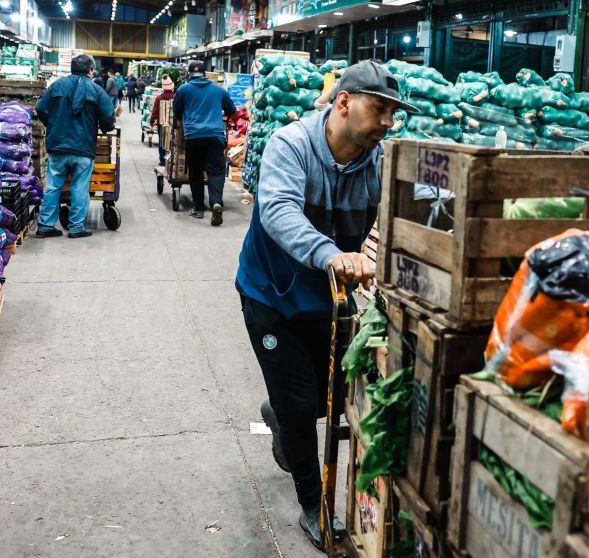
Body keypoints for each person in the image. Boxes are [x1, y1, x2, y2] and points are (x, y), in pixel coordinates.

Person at [236, 61, 418, 551]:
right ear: (343, 103)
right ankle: (312, 504)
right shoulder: (290, 145)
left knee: (329, 397)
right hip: (271, 294)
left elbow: (408, 210)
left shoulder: (379, 162)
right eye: (378, 110)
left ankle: (280, 411)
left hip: (330, 299)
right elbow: (277, 210)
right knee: (301, 406)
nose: (387, 123)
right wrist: (330, 253)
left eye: (392, 114)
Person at [34, 55, 119, 239]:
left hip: (57, 146)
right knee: (80, 187)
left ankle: (45, 225)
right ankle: (76, 227)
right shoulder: (96, 90)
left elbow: (40, 108)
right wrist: (105, 127)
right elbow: (108, 117)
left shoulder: (56, 86)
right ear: (90, 70)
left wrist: (53, 124)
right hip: (83, 148)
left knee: (53, 187)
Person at [173, 60, 235, 225]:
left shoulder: (183, 89)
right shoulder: (218, 90)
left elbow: (176, 112)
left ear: (189, 74)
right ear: (205, 74)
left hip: (193, 137)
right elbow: (232, 110)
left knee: (196, 172)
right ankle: (215, 203)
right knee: (216, 171)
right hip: (215, 137)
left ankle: (199, 208)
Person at [149, 74, 176, 166]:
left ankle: (162, 160)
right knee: (174, 142)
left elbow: (155, 112)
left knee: (162, 142)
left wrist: (152, 122)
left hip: (162, 124)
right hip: (174, 124)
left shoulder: (159, 98)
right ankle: (172, 160)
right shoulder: (176, 97)